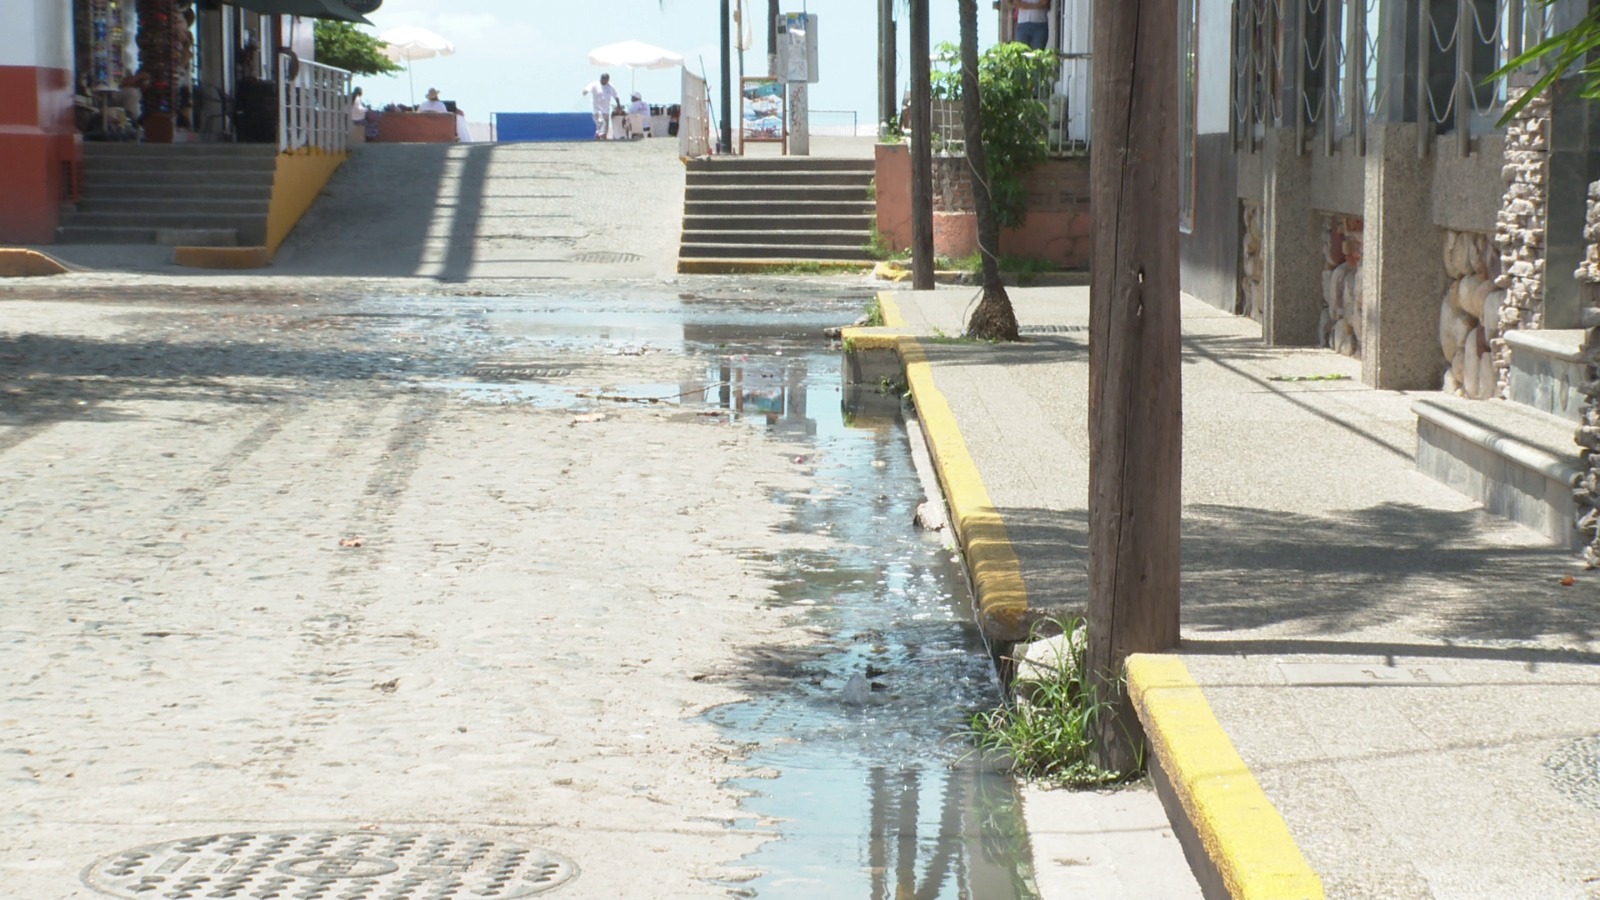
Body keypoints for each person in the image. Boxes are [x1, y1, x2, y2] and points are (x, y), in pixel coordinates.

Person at [582, 73, 621, 140]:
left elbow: (616, 96)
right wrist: (585, 92)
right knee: (601, 127)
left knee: (604, 130)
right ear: (601, 79)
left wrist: (618, 106)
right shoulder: (595, 84)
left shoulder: (610, 86)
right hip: (597, 111)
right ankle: (602, 140)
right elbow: (587, 89)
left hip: (606, 111)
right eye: (603, 80)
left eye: (606, 80)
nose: (605, 82)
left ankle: (598, 137)